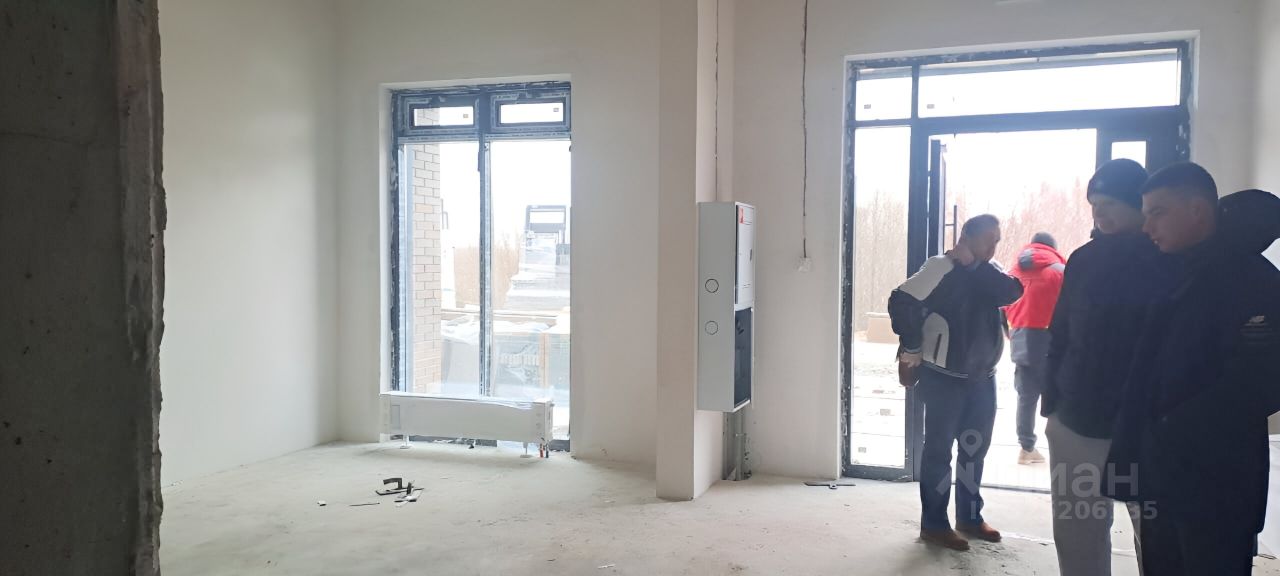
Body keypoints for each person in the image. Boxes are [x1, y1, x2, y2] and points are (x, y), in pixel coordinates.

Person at [1106, 167, 1280, 576]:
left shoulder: (1252, 280)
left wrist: (1172, 427)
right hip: (1161, 475)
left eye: (1158, 212)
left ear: (1197, 210)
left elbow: (1263, 382)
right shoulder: (1175, 272)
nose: (1146, 226)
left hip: (1218, 482)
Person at [1040, 159, 1171, 576]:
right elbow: (1061, 331)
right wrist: (1051, 401)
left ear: (1138, 204)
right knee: (1078, 528)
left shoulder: (1167, 256)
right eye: (1094, 203)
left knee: (1155, 530)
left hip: (1143, 424)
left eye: (1110, 202)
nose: (1099, 212)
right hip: (1076, 418)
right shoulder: (1083, 259)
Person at [888, 214, 1024, 551]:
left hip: (982, 379)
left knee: (974, 449)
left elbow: (1012, 291)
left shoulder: (988, 271)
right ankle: (934, 524)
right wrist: (913, 346)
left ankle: (970, 517)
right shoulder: (940, 267)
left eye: (997, 241)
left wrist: (975, 265)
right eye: (988, 240)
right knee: (938, 453)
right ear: (967, 237)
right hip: (943, 378)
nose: (993, 248)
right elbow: (901, 301)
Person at [1004, 232, 1065, 465]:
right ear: (1052, 248)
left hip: (1020, 339)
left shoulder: (1013, 273)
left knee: (1026, 397)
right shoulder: (1059, 271)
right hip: (1052, 341)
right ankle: (1061, 449)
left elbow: (1001, 310)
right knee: (1059, 396)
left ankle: (1026, 448)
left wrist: (1012, 333)